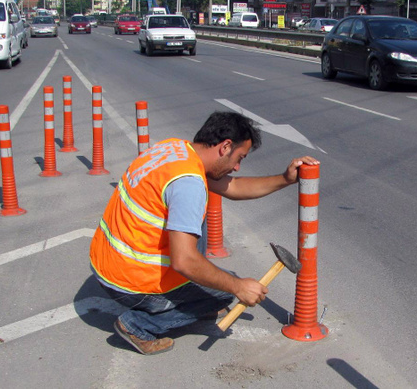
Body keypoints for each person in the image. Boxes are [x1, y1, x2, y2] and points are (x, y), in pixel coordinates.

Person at [89, 111, 319, 355]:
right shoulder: (189, 184)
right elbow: (184, 261)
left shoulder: (174, 150)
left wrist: (285, 179)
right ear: (225, 146)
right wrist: (237, 287)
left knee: (208, 259)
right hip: (130, 282)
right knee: (221, 293)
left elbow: (235, 187)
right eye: (239, 158)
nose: (237, 166)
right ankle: (138, 325)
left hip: (107, 262)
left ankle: (188, 297)